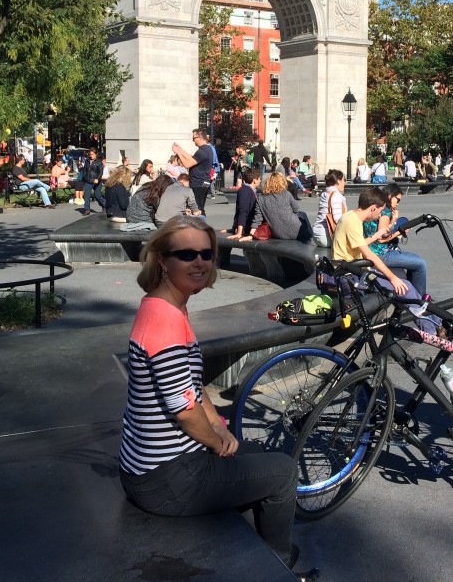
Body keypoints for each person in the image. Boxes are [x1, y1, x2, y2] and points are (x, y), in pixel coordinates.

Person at [118, 216, 315, 581]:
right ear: (162, 259)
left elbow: (193, 386)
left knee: (255, 455)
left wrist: (221, 430)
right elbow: (185, 412)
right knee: (283, 473)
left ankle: (254, 551)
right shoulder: (165, 322)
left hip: (158, 466)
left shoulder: (167, 304)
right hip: (166, 479)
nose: (200, 262)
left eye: (207, 253)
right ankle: (278, 566)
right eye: (187, 254)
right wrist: (216, 441)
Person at [332, 187, 407, 296]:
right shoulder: (353, 223)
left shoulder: (350, 215)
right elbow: (369, 255)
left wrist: (375, 236)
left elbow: (357, 244)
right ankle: (423, 310)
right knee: (406, 288)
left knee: (403, 284)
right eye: (380, 211)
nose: (380, 215)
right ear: (373, 208)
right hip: (351, 272)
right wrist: (393, 278)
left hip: (350, 267)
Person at [364, 183, 428, 294]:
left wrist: (393, 221)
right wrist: (400, 231)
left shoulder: (375, 206)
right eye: (397, 200)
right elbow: (381, 239)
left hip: (370, 250)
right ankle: (419, 301)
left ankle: (413, 293)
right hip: (380, 254)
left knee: (414, 260)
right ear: (390, 196)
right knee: (420, 264)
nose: (398, 203)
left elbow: (381, 230)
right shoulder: (385, 212)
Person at [256, 173, 311, 242]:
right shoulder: (286, 193)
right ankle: (310, 234)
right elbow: (296, 209)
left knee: (302, 215)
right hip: (297, 232)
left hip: (277, 234)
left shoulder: (261, 197)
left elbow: (258, 217)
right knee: (302, 215)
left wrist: (252, 232)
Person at [171, 129, 214, 214]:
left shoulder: (202, 151)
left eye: (194, 138)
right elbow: (191, 158)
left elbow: (187, 164)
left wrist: (178, 152)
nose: (193, 140)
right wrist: (180, 149)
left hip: (199, 183)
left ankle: (202, 226)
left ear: (200, 137)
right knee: (198, 208)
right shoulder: (206, 149)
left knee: (197, 209)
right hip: (201, 182)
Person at [311, 169, 348, 247]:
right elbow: (338, 219)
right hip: (327, 236)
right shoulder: (336, 196)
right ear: (338, 181)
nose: (345, 183)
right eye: (344, 180)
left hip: (317, 235)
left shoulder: (325, 193)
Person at [226, 168, 260, 240]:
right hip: (247, 229)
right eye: (259, 179)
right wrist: (239, 232)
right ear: (254, 180)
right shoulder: (245, 191)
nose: (260, 181)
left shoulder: (249, 190)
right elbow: (243, 211)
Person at [80, 148, 105, 215]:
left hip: (96, 181)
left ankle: (105, 204)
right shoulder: (87, 161)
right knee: (87, 196)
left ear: (96, 154)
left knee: (98, 195)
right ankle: (87, 210)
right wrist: (85, 177)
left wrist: (98, 179)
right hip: (88, 181)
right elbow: (84, 170)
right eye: (90, 154)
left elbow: (100, 172)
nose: (91, 155)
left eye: (93, 154)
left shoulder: (98, 162)